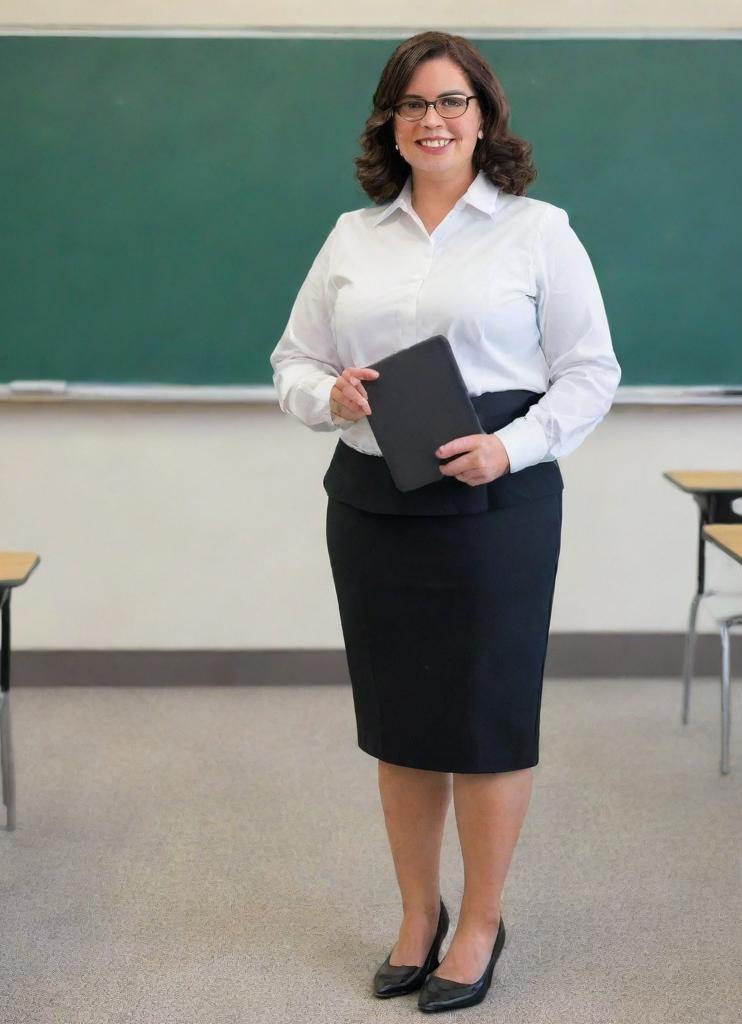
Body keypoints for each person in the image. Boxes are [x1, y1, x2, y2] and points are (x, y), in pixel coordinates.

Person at [270, 31, 620, 1013]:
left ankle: (480, 920)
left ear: (484, 116)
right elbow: (290, 360)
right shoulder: (352, 235)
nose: (433, 120)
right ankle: (418, 912)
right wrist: (326, 398)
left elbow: (591, 371)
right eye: (413, 104)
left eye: (452, 102)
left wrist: (514, 446)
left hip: (497, 501)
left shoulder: (537, 230)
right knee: (403, 723)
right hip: (375, 504)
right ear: (390, 120)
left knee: (488, 717)